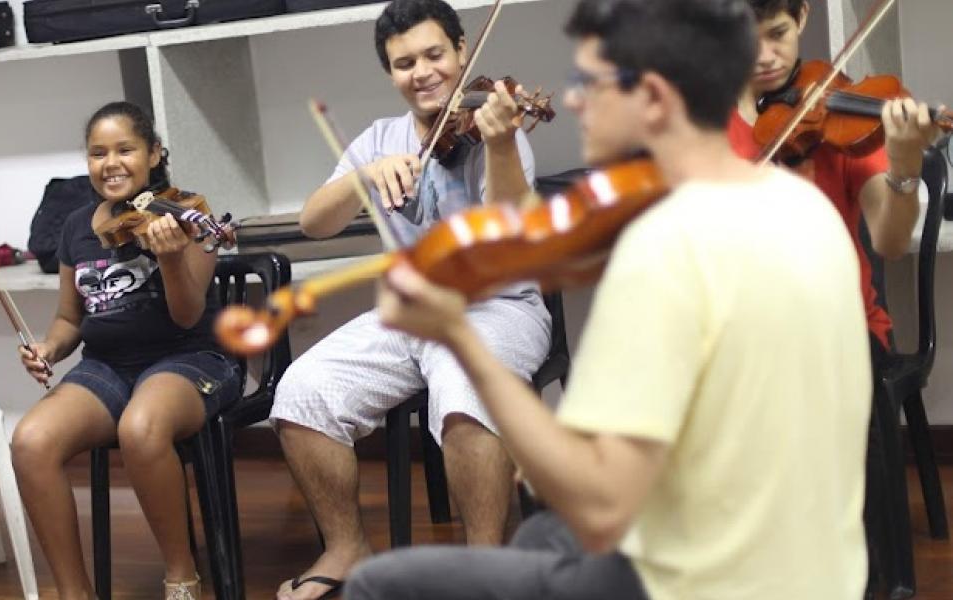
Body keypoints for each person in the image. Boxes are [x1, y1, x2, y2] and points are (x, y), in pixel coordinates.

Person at [346, 0, 872, 597]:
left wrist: (460, 339)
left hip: (707, 583)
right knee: (539, 541)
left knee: (377, 584)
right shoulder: (798, 202)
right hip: (821, 570)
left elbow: (592, 505)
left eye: (590, 84)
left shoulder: (662, 250)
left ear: (653, 94)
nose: (571, 102)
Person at [268, 1, 552, 597]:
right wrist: (364, 178)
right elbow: (315, 222)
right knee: (301, 389)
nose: (422, 72)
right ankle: (345, 546)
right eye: (404, 63)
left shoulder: (492, 123)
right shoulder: (380, 139)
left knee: (464, 388)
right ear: (390, 73)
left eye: (433, 55)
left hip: (498, 306)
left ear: (461, 51)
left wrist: (499, 147)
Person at [11, 101, 241, 600]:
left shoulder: (188, 214)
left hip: (191, 359)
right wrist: (49, 348)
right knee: (31, 440)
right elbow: (72, 317)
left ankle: (182, 577)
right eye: (97, 153)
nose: (109, 163)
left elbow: (186, 315)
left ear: (154, 154)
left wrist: (172, 257)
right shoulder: (76, 227)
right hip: (107, 367)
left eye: (124, 149)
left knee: (142, 426)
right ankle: (75, 592)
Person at [731, 0, 946, 351]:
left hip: (841, 333)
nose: (765, 57)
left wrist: (905, 165)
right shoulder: (703, 126)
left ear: (801, 16)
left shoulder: (841, 118)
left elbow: (890, 242)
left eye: (777, 34)